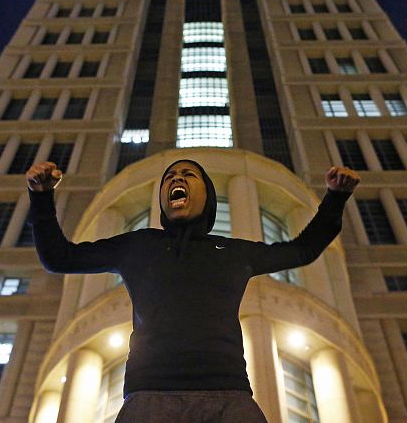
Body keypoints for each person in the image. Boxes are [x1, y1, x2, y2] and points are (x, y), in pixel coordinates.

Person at [26, 159, 360, 423]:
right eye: (169, 177)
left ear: (207, 196)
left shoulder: (233, 252)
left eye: (188, 175)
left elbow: (302, 250)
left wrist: (336, 197)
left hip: (228, 396)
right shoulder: (138, 246)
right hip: (149, 397)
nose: (177, 179)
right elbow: (59, 257)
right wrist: (41, 197)